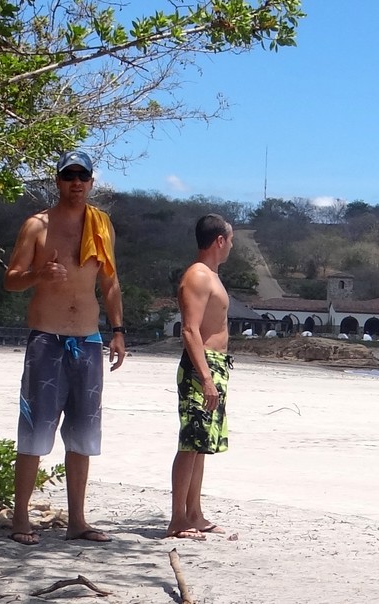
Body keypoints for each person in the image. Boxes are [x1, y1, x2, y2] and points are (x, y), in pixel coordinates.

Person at [2, 151, 126, 544]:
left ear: (90, 182)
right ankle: (20, 517)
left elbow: (109, 281)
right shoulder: (37, 225)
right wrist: (37, 274)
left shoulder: (101, 224)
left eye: (82, 176)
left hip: (88, 339)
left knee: (83, 433)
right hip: (47, 337)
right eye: (68, 176)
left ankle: (78, 521)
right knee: (35, 431)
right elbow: (11, 279)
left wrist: (118, 330)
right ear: (57, 180)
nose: (76, 183)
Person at [166, 214, 234, 540]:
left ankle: (194, 512)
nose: (231, 246)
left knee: (202, 444)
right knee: (190, 442)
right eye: (230, 240)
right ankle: (178, 518)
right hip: (201, 366)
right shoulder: (198, 276)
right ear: (219, 240)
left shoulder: (211, 276)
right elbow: (190, 330)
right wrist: (206, 377)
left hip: (216, 365)